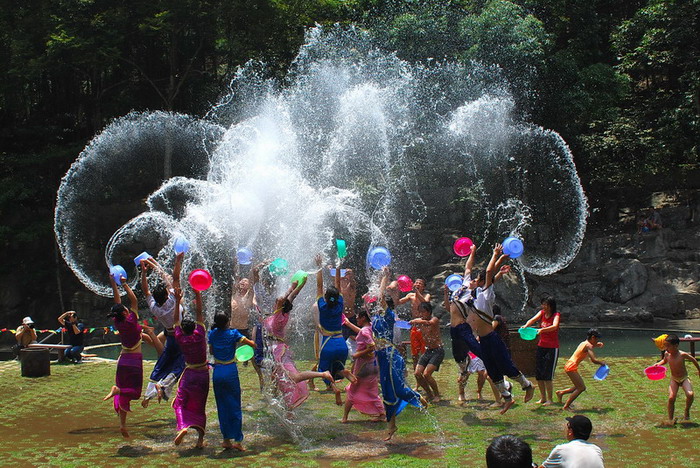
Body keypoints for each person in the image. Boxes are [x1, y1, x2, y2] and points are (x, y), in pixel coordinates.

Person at [452, 242, 535, 414]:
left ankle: (527, 386)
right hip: (482, 340)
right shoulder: (472, 293)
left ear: (481, 282)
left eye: (477, 280)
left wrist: (496, 254)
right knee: (492, 370)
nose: (473, 280)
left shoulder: (487, 295)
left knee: (506, 367)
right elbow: (475, 271)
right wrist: (475, 253)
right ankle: (507, 397)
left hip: (491, 338)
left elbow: (488, 275)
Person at [265, 279, 340, 409]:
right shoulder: (279, 314)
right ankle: (288, 409)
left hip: (279, 351)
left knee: (294, 377)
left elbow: (286, 298)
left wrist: (294, 287)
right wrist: (296, 286)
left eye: (278, 302)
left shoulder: (279, 317)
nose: (276, 302)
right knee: (280, 379)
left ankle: (323, 374)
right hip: (277, 351)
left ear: (280, 306)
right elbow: (289, 298)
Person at [373, 267, 427, 441]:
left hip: (390, 356)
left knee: (397, 389)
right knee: (388, 392)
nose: (377, 304)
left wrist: (384, 277)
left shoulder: (388, 315)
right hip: (382, 357)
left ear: (386, 305)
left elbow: (381, 295)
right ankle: (391, 425)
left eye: (380, 302)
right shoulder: (377, 317)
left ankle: (417, 397)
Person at [103, 271, 158, 438]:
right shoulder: (131, 321)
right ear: (126, 313)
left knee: (125, 394)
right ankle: (117, 391)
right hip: (134, 361)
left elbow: (117, 303)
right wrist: (124, 284)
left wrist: (114, 284)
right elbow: (133, 300)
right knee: (133, 392)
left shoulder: (118, 322)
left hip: (122, 360)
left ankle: (123, 425)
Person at [140, 253, 186, 406]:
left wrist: (144, 272)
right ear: (167, 295)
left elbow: (145, 290)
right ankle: (163, 386)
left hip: (170, 336)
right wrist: (178, 260)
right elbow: (174, 278)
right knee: (180, 364)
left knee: (163, 362)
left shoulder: (156, 309)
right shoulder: (174, 299)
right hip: (180, 335)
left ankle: (148, 394)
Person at [209, 312, 257, 451]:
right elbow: (252, 344)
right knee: (234, 405)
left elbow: (211, 351)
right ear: (227, 322)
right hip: (230, 371)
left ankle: (225, 440)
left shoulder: (212, 334)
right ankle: (237, 440)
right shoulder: (233, 334)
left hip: (217, 371)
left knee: (222, 406)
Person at [172, 284, 209, 448]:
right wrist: (198, 294)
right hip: (203, 374)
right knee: (200, 405)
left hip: (190, 374)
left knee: (179, 402)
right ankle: (200, 440)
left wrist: (177, 301)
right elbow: (200, 313)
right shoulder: (200, 334)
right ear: (195, 327)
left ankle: (183, 426)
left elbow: (175, 321)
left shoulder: (180, 337)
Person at [314, 254, 356, 389]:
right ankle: (346, 373)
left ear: (325, 297)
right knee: (338, 367)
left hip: (328, 344)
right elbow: (337, 285)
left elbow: (319, 285)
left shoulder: (322, 305)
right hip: (341, 343)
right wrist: (339, 266)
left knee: (323, 371)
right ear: (337, 296)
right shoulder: (340, 304)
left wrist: (319, 267)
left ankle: (332, 387)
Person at [340, 309, 385, 423]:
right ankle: (382, 414)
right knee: (372, 391)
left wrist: (357, 354)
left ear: (363, 318)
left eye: (358, 318)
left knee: (352, 389)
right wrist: (348, 324)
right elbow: (362, 332)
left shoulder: (365, 331)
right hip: (372, 364)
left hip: (363, 365)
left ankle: (345, 417)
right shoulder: (370, 327)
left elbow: (371, 346)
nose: (356, 320)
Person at [652, 334, 700, 424]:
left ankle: (686, 410)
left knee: (690, 395)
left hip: (684, 378)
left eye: (668, 346)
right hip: (674, 379)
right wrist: (659, 364)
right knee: (671, 398)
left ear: (676, 346)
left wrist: (699, 370)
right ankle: (670, 419)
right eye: (665, 345)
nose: (666, 348)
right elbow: (665, 360)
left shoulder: (682, 355)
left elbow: (693, 359)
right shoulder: (667, 354)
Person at [523, 296, 560, 405]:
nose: (543, 306)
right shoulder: (542, 313)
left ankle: (550, 399)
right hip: (541, 346)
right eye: (542, 304)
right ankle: (543, 398)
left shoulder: (556, 315)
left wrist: (541, 330)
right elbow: (533, 319)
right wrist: (526, 326)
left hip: (552, 348)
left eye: (545, 304)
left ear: (551, 306)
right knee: (539, 374)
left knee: (547, 375)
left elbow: (554, 326)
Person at [556, 329, 606, 411]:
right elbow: (593, 360)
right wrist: (602, 363)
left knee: (578, 386)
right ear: (593, 337)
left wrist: (596, 345)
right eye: (597, 339)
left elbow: (587, 347)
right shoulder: (588, 346)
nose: (597, 341)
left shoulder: (584, 343)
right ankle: (566, 406)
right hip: (571, 367)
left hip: (569, 364)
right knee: (581, 388)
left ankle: (561, 393)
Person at [410, 302, 444, 402]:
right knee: (417, 373)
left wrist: (417, 321)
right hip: (428, 350)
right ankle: (429, 394)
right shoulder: (420, 321)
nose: (421, 314)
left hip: (438, 350)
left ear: (429, 312)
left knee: (427, 374)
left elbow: (430, 323)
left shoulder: (434, 319)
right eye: (419, 312)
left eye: (423, 312)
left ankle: (437, 395)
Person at [398, 278, 431, 372]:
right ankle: (417, 381)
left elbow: (425, 302)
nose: (417, 284)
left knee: (424, 353)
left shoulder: (426, 295)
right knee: (414, 355)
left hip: (424, 327)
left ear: (423, 287)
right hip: (414, 327)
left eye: (420, 283)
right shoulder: (410, 295)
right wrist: (394, 293)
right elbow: (398, 302)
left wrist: (416, 291)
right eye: (416, 283)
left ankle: (425, 374)